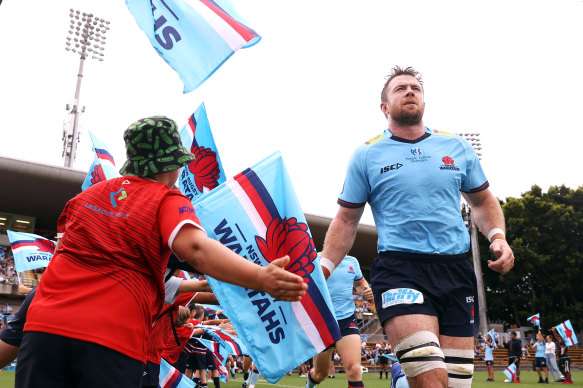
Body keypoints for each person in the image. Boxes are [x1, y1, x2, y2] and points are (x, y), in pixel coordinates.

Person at [15, 116, 307, 388]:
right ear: (172, 166)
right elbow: (195, 249)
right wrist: (261, 278)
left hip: (43, 331)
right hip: (110, 337)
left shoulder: (83, 198)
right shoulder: (165, 199)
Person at [319, 66, 515, 388]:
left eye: (415, 88)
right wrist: (324, 267)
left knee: (456, 384)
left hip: (455, 271)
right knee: (431, 381)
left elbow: (482, 202)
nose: (410, 92)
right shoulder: (367, 154)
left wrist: (498, 237)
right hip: (400, 270)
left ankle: (400, 380)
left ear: (423, 101)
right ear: (385, 107)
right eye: (400, 89)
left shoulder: (457, 147)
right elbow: (346, 220)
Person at [305, 255, 373, 388]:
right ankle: (309, 385)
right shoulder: (315, 259)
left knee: (354, 370)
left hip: (347, 320)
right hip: (323, 321)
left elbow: (359, 284)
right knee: (319, 374)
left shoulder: (352, 261)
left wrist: (366, 290)